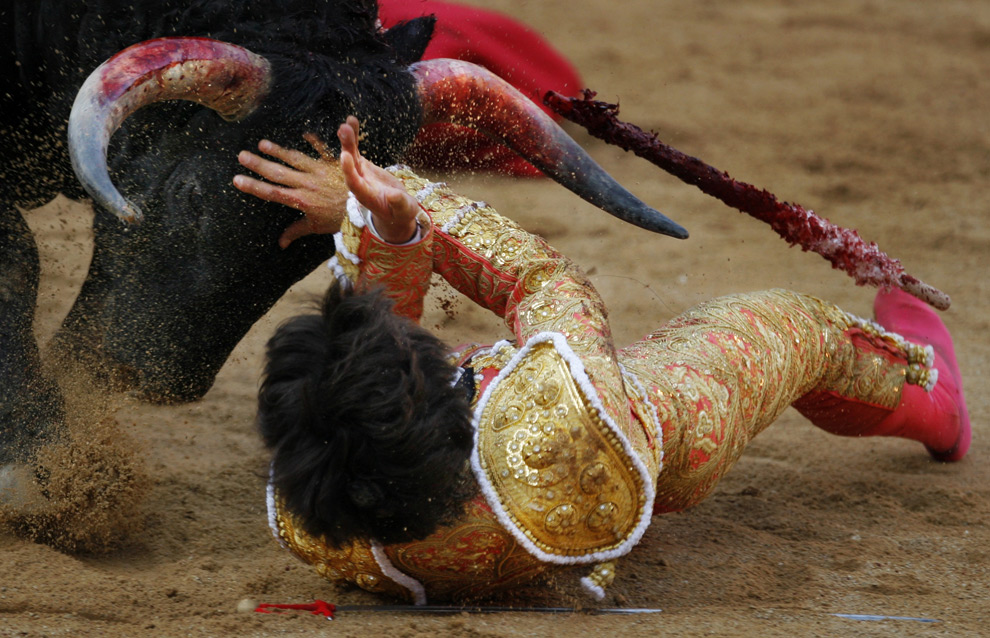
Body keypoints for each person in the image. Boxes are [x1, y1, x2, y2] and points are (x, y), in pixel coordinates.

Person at [232, 117, 970, 604]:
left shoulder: (318, 530)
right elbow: (546, 285)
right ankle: (940, 407)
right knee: (792, 327)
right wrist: (415, 203)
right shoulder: (557, 409)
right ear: (437, 391)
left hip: (517, 517)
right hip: (658, 427)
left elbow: (371, 397)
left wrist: (386, 236)